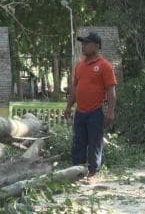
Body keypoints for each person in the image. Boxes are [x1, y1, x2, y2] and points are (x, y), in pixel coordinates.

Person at [63, 31, 117, 179]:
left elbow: (111, 91)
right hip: (80, 112)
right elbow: (74, 89)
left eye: (87, 43)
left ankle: (93, 173)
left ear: (97, 46)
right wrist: (68, 107)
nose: (83, 46)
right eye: (82, 43)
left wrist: (111, 112)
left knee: (94, 144)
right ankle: (77, 172)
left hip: (96, 112)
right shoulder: (79, 66)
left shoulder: (105, 66)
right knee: (78, 143)